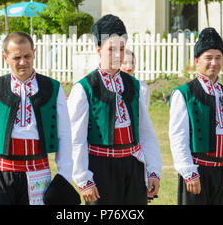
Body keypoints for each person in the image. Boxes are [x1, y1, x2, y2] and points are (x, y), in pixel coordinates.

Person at [0, 31, 76, 205]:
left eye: (27, 56)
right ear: (5, 58)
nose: (23, 62)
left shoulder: (52, 88)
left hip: (38, 172)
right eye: (16, 57)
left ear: (34, 53)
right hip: (0, 173)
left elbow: (64, 134)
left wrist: (64, 175)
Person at [68, 14, 162, 205]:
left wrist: (153, 170)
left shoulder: (136, 86)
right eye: (111, 49)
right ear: (99, 50)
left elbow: (146, 132)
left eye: (121, 48)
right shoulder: (84, 88)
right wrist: (83, 178)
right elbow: (75, 139)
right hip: (100, 168)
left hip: (133, 165)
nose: (118, 55)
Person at [169, 27, 223, 205]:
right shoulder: (185, 94)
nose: (214, 63)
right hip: (197, 170)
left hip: (222, 172)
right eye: (208, 58)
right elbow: (178, 136)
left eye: (218, 58)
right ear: (197, 60)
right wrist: (189, 172)